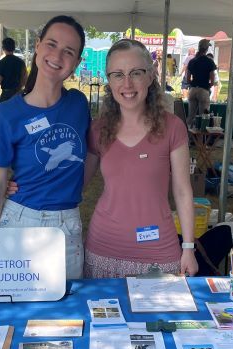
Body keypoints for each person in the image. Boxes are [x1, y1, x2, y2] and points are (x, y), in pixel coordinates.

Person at [0, 16, 90, 279]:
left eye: (69, 51)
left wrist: (71, 186)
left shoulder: (78, 103)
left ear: (76, 63)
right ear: (38, 46)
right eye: (52, 44)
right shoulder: (7, 114)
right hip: (21, 220)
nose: (58, 55)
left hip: (67, 223)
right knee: (17, 306)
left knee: (65, 313)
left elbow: (90, 153)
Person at [83, 39, 198, 278]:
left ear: (150, 76)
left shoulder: (172, 127)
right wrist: (21, 186)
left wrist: (188, 247)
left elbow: (182, 191)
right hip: (103, 251)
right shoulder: (98, 129)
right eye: (118, 74)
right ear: (109, 80)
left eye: (136, 72)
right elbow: (76, 183)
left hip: (158, 252)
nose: (127, 83)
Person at [185, 38, 216, 129]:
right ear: (206, 49)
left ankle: (188, 137)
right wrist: (209, 85)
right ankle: (201, 139)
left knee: (191, 116)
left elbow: (187, 79)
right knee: (204, 116)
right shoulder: (209, 61)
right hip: (203, 89)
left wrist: (192, 83)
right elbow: (212, 78)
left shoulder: (192, 61)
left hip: (193, 89)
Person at [0, 37, 27, 102]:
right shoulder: (21, 62)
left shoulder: (1, 63)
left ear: (3, 48)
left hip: (6, 95)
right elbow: (25, 80)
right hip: (18, 94)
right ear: (14, 48)